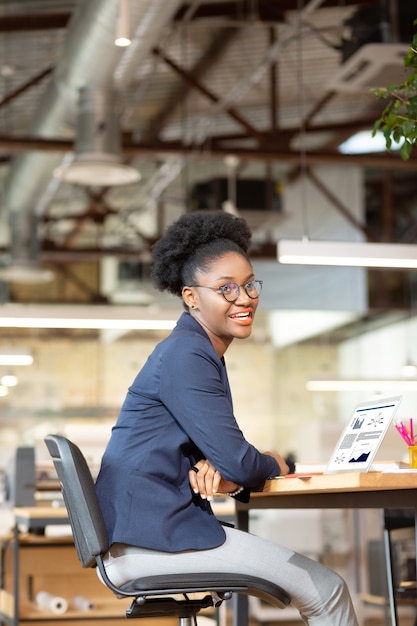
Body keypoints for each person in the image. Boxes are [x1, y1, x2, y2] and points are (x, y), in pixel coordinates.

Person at [95, 210, 359, 625]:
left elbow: (225, 458)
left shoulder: (194, 350)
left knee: (320, 587)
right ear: (191, 297)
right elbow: (239, 459)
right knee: (327, 590)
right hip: (152, 540)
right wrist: (275, 463)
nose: (244, 297)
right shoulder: (188, 354)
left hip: (148, 534)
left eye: (250, 284)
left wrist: (218, 464)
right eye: (226, 288)